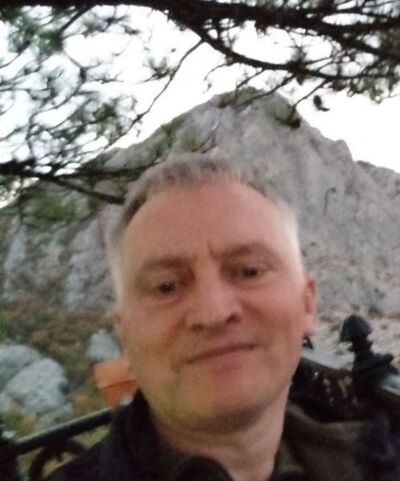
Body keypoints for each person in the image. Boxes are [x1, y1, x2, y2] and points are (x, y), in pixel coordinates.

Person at [47, 154, 397, 481]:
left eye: (249, 271)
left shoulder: (377, 455)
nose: (214, 313)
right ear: (125, 333)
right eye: (166, 287)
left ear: (307, 304)